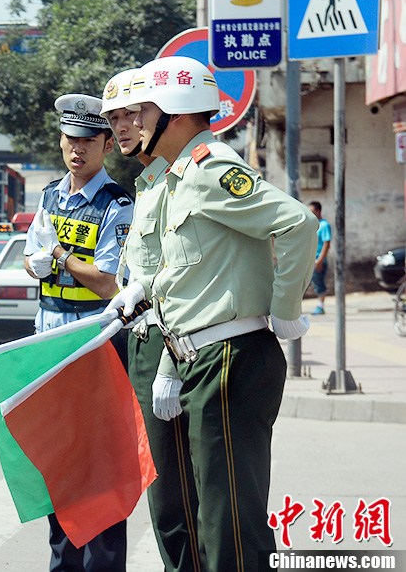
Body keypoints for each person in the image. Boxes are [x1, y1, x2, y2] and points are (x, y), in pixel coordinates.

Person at [111, 56, 317, 572]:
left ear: (175, 112)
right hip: (197, 355)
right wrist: (166, 363)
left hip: (230, 354)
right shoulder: (179, 177)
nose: (132, 123)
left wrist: (284, 310)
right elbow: (183, 287)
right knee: (199, 516)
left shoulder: (210, 168)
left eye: (143, 111)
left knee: (228, 528)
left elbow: (296, 224)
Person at [23, 92, 134, 572]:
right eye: (71, 138)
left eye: (89, 140)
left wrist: (63, 257)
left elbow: (111, 282)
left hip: (94, 346)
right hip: (48, 347)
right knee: (58, 469)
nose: (77, 148)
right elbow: (32, 261)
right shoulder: (48, 195)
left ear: (106, 144)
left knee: (101, 472)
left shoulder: (118, 204)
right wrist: (39, 262)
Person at [101, 68, 200, 572]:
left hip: (172, 344)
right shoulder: (147, 182)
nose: (122, 127)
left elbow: (179, 283)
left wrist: (166, 362)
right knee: (167, 497)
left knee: (183, 500)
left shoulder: (177, 179)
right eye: (113, 118)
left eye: (131, 115)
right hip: (141, 342)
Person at [309, 200, 332, 315]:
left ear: (318, 211)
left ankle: (321, 306)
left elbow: (327, 243)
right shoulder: (313, 224)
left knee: (319, 283)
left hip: (318, 260)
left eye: (312, 211)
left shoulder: (324, 225)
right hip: (311, 259)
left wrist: (320, 260)